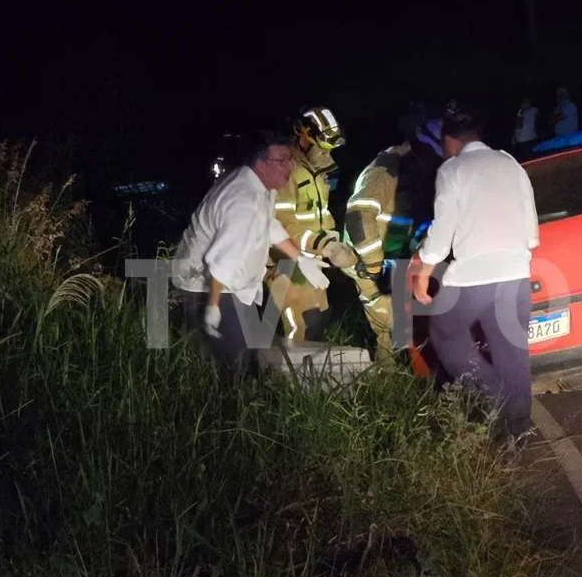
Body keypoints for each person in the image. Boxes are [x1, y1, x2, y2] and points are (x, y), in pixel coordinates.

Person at [412, 113, 539, 441]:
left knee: (443, 331)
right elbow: (531, 234)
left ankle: (494, 399)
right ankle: (518, 428)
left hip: (472, 277)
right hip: (516, 276)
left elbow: (441, 235)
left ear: (450, 141)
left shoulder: (452, 169)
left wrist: (423, 270)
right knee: (511, 352)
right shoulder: (511, 164)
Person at [172, 130, 331, 376]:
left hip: (231, 283)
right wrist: (214, 308)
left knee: (250, 350)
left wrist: (301, 259)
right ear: (261, 164)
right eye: (281, 161)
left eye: (289, 158)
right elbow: (221, 264)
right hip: (211, 285)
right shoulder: (243, 201)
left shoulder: (260, 187)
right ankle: (227, 402)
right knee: (236, 362)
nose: (289, 166)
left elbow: (270, 226)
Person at [340, 119, 446, 359]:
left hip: (397, 258)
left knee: (405, 326)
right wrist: (375, 267)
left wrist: (422, 253)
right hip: (366, 259)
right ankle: (387, 377)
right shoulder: (388, 166)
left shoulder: (425, 172)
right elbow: (359, 215)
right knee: (391, 324)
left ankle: (404, 369)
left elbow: (422, 222)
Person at [267, 106, 355, 342]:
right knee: (304, 324)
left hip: (310, 259)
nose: (326, 152)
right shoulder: (285, 170)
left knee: (319, 317)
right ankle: (287, 375)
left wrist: (335, 244)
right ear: (302, 134)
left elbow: (321, 214)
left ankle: (302, 372)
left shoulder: (315, 171)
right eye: (323, 144)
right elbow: (282, 226)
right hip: (285, 259)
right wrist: (326, 246)